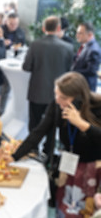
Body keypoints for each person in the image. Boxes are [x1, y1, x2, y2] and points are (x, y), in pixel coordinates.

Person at [4, 72, 101, 218]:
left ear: (79, 99)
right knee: (63, 211)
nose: (58, 100)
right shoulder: (57, 106)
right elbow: (39, 131)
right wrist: (14, 156)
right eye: (56, 94)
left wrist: (81, 124)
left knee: (85, 212)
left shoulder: (97, 108)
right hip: (68, 167)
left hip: (91, 169)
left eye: (63, 98)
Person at [23, 16, 73, 155]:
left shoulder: (35, 45)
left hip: (37, 90)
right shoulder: (68, 47)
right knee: (53, 125)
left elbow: (26, 67)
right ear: (58, 28)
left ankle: (33, 149)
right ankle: (48, 151)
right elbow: (70, 72)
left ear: (43, 28)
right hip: (58, 95)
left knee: (34, 122)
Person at [71, 22, 101, 92]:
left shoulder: (93, 50)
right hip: (80, 87)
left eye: (80, 33)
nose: (77, 35)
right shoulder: (85, 46)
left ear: (90, 34)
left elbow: (91, 71)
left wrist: (72, 71)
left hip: (86, 90)